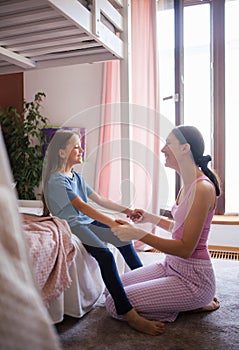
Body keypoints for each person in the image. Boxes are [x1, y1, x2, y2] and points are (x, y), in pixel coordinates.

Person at [42, 129, 164, 336]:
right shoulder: (56, 180)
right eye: (76, 146)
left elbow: (99, 199)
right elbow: (83, 207)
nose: (81, 149)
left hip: (87, 222)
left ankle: (145, 289)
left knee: (125, 240)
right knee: (105, 256)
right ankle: (129, 313)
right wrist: (113, 223)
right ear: (62, 153)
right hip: (74, 226)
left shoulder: (77, 177)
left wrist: (127, 210)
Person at [109, 125, 220, 329]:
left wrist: (138, 234)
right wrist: (149, 217)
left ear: (185, 148)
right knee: (112, 289)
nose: (163, 149)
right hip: (171, 266)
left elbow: (186, 248)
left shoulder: (202, 188)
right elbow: (179, 228)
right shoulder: (186, 184)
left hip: (193, 280)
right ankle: (187, 305)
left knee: (114, 304)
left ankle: (195, 302)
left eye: (169, 143)